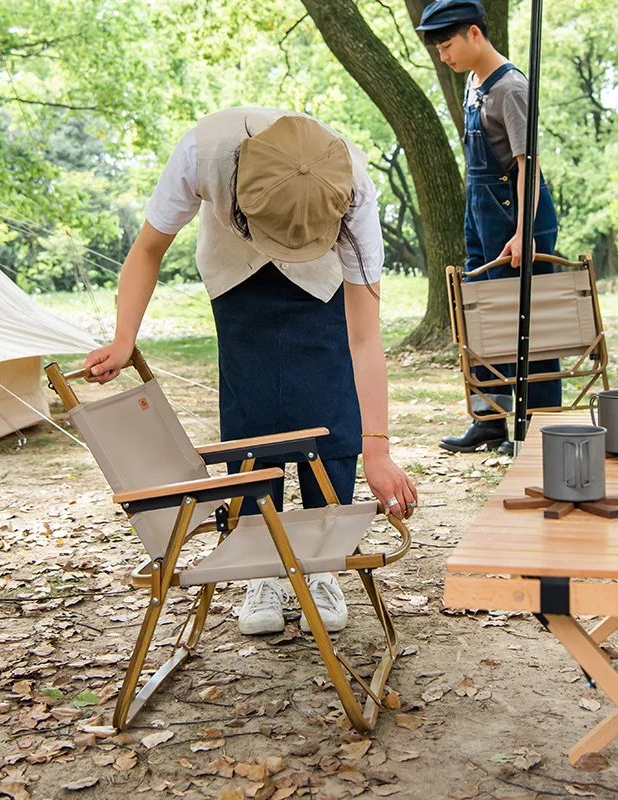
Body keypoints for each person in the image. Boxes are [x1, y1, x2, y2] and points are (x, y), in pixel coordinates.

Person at [82, 108, 417, 636]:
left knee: (329, 405)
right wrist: (125, 337)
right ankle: (262, 565)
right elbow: (147, 249)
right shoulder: (200, 154)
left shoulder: (353, 189)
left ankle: (322, 565)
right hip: (235, 279)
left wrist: (377, 447)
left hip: (325, 288)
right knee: (251, 412)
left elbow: (364, 337)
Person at [417, 0, 562, 455]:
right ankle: (490, 419)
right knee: (481, 312)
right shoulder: (472, 82)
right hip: (481, 211)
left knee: (527, 319)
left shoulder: (512, 89)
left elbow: (528, 168)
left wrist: (523, 231)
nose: (444, 56)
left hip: (517, 213)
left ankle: (539, 427)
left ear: (474, 34)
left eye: (447, 46)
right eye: (438, 49)